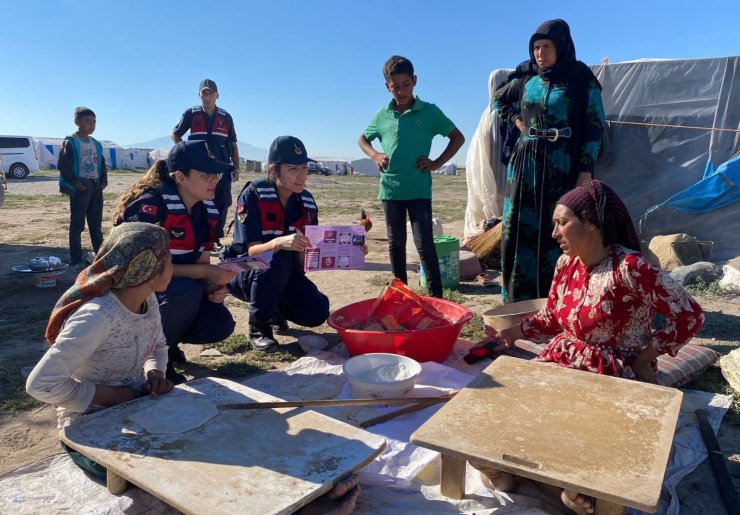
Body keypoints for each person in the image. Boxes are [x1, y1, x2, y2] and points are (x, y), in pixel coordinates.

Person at [479, 180, 704, 514]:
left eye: (562, 222)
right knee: (520, 405)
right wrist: (513, 333)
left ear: (592, 222)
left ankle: (571, 484)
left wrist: (647, 356)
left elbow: (689, 315)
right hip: (564, 356)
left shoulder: (632, 268)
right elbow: (554, 316)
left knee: (587, 428)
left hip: (613, 370)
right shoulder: (565, 265)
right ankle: (527, 474)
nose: (554, 232)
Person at [26, 222, 175, 479]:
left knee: (185, 450)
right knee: (138, 474)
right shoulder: (97, 317)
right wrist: (112, 396)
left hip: (138, 406)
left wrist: (155, 373)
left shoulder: (147, 300)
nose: (173, 267)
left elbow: (158, 346)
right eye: (170, 259)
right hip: (88, 422)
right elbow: (41, 384)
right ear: (150, 270)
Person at [493, 19, 605, 303]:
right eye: (536, 48)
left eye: (546, 47)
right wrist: (518, 121)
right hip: (526, 163)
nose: (539, 53)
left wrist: (585, 170)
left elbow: (594, 126)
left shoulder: (580, 80)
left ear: (562, 47)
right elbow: (499, 101)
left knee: (562, 228)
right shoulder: (526, 77)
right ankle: (518, 299)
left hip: (562, 163)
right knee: (519, 226)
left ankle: (559, 300)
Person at [113, 140, 237, 383]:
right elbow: (140, 272)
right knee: (184, 291)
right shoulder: (150, 206)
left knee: (218, 322)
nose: (215, 181)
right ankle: (143, 363)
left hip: (170, 288)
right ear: (180, 176)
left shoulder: (207, 211)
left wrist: (213, 286)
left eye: (217, 174)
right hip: (132, 294)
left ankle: (166, 346)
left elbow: (201, 261)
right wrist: (206, 272)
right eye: (207, 175)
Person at [358, 55, 464, 298]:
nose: (401, 90)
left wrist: (437, 163)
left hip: (418, 189)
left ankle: (437, 299)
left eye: (406, 84)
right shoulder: (382, 114)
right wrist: (375, 155)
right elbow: (362, 138)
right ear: (387, 87)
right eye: (395, 86)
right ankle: (401, 297)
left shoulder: (429, 112)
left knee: (425, 245)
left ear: (414, 81)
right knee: (395, 245)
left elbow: (457, 137)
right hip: (391, 190)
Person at [226, 136, 331, 352]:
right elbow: (251, 251)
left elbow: (302, 265)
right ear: (274, 171)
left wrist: (345, 251)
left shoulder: (307, 202)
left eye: (304, 167)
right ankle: (259, 326)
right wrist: (279, 242)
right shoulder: (254, 194)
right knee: (276, 260)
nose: (301, 175)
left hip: (283, 274)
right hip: (243, 271)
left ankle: (273, 309)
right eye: (292, 168)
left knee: (317, 311)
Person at [172, 79, 240, 244]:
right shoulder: (191, 114)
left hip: (221, 169)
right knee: (197, 201)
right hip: (198, 169)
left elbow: (233, 145)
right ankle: (196, 236)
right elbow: (175, 134)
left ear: (218, 96)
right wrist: (185, 152)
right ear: (199, 95)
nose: (207, 97)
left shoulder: (226, 117)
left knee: (222, 202)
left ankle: (215, 239)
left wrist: (236, 168)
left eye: (211, 93)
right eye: (204, 93)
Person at [58, 107, 108, 266]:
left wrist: (103, 181)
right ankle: (76, 258)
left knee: (96, 225)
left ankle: (101, 257)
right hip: (81, 185)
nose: (91, 125)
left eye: (94, 122)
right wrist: (74, 182)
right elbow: (63, 164)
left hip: (95, 185)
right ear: (77, 122)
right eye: (87, 121)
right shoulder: (71, 142)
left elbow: (101, 163)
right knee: (77, 224)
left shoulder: (96, 144)